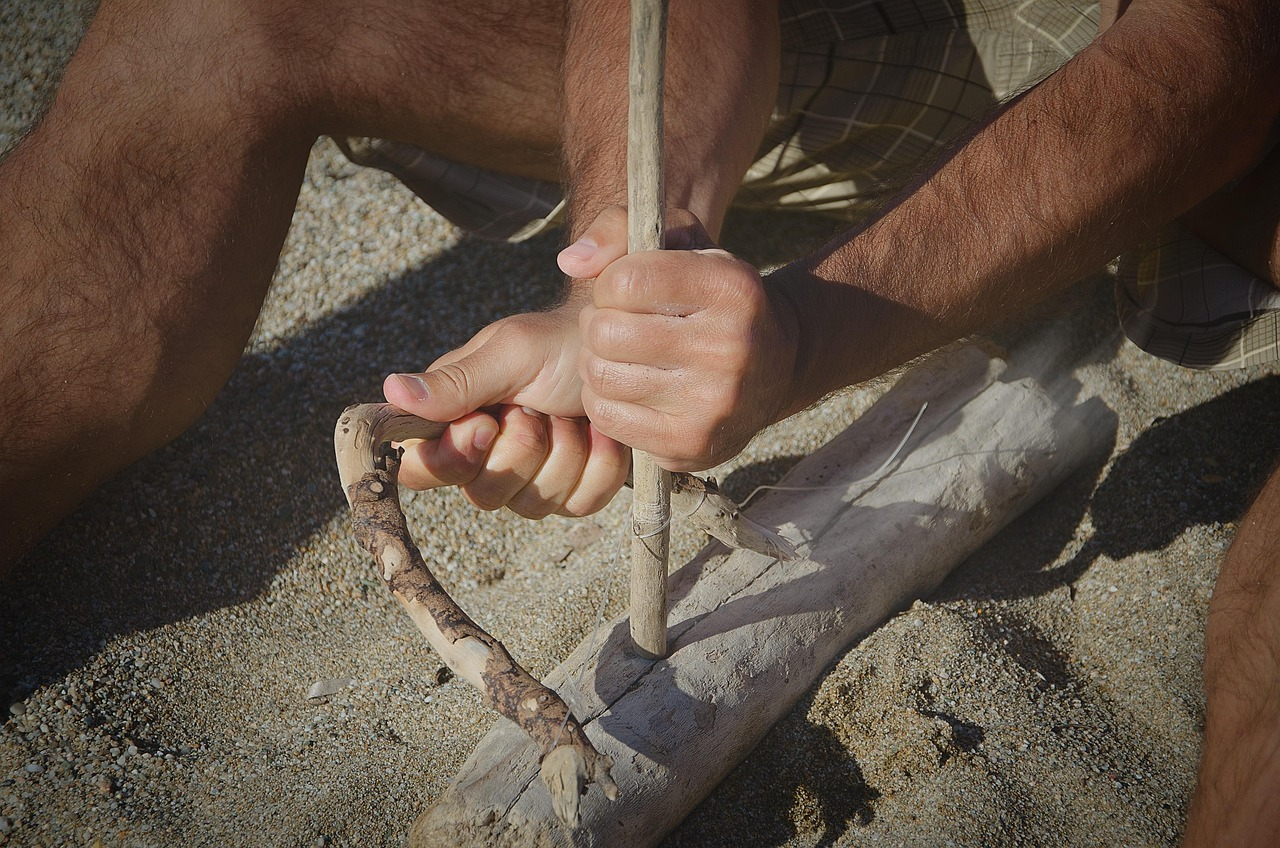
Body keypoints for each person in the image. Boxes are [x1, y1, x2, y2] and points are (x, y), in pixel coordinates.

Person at [0, 0, 1276, 843]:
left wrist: (807, 337)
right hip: (951, 33)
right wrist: (628, 265)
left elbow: (1215, 49)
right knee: (214, 24)